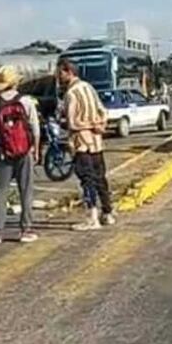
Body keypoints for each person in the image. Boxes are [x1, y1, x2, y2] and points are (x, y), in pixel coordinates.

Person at [0, 66, 41, 245]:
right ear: (15, 82)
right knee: (26, 191)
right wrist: (36, 149)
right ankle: (25, 229)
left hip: (2, 154)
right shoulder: (26, 102)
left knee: (0, 193)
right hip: (24, 152)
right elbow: (35, 128)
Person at [59, 59, 115, 230]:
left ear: (68, 72)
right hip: (97, 142)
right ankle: (107, 212)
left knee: (87, 179)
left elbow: (72, 123)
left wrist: (88, 126)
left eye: (60, 73)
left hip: (81, 142)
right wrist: (100, 126)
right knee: (100, 178)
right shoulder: (89, 88)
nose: (58, 77)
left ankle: (92, 217)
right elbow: (103, 111)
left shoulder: (71, 93)